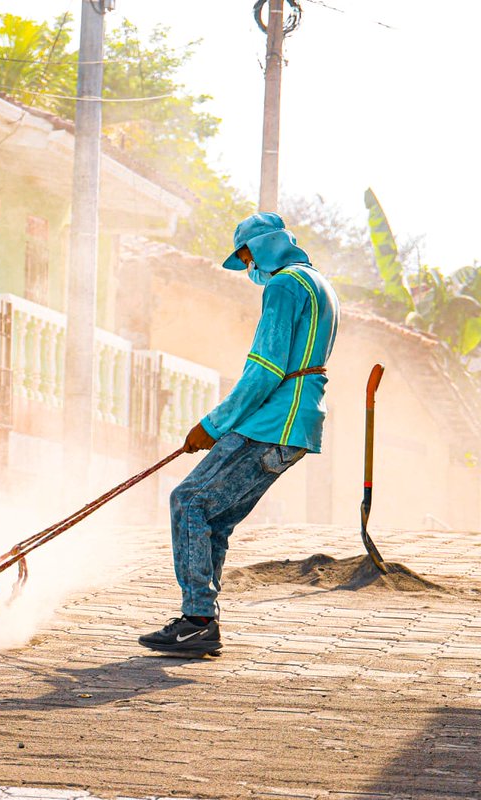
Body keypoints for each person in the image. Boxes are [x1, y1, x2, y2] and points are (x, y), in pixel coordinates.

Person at [138, 213, 339, 658]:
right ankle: (201, 621)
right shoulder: (318, 284)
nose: (248, 265)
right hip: (298, 426)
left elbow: (265, 369)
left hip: (271, 422)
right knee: (216, 519)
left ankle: (197, 621)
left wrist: (212, 425)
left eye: (247, 254)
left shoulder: (284, 286)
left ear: (265, 246)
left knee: (188, 501)